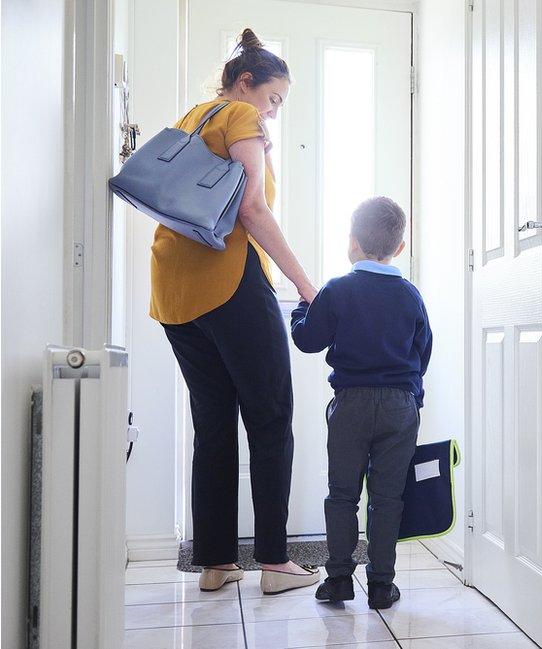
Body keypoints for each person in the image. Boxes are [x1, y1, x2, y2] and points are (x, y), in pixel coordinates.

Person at [151, 28, 320, 595]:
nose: (272, 114)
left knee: (213, 423)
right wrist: (304, 282)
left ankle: (217, 562)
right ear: (244, 83)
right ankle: (274, 563)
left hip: (174, 291)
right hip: (229, 281)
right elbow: (252, 209)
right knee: (271, 416)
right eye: (273, 99)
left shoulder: (191, 119)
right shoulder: (239, 118)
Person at [290, 196, 433, 609]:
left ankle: (338, 580)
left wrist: (304, 305)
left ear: (352, 242)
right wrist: (412, 398)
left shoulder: (337, 291)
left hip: (350, 404)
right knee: (388, 497)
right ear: (399, 248)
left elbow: (307, 340)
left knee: (342, 494)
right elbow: (422, 352)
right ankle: (381, 585)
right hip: (400, 407)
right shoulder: (410, 296)